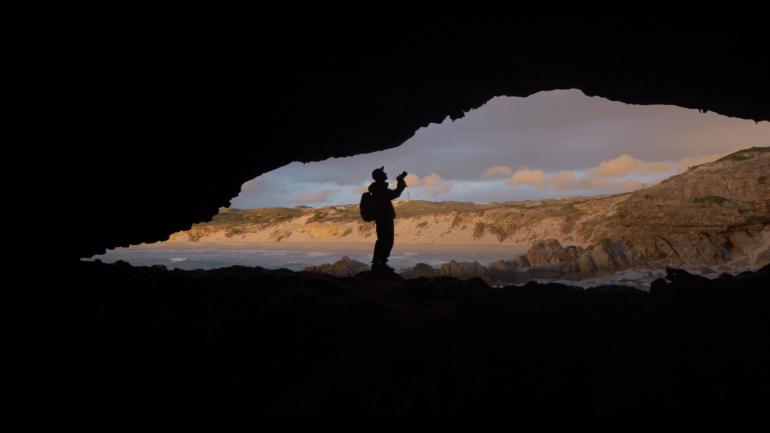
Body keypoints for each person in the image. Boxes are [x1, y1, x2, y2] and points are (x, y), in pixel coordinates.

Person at [368, 167, 407, 272]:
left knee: (382, 241)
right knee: (387, 241)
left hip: (381, 219)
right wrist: (400, 182)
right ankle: (380, 264)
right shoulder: (380, 189)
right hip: (384, 219)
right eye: (383, 173)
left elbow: (394, 194)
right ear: (380, 177)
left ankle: (378, 263)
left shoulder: (377, 188)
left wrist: (400, 182)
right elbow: (396, 194)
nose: (386, 174)